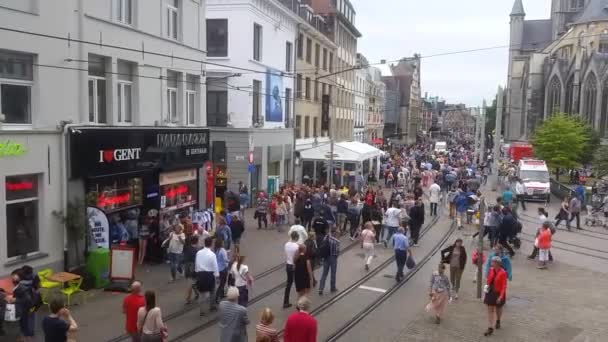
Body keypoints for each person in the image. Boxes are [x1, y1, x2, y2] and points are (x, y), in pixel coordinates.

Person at [483, 257, 508, 336]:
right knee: (490, 310)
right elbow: (488, 280)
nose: (491, 263)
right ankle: (490, 327)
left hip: (498, 293)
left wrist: (500, 297)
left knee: (498, 308)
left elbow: (504, 286)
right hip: (491, 292)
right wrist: (486, 290)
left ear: (497, 263)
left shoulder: (503, 273)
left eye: (493, 262)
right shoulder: (491, 269)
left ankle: (498, 320)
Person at [195, 237, 219, 316]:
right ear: (211, 244)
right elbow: (215, 266)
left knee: (201, 293)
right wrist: (217, 276)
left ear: (204, 243)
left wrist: (197, 272)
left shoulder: (198, 253)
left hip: (200, 274)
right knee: (212, 291)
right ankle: (212, 306)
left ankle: (201, 310)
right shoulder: (212, 254)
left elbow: (196, 263)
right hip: (209, 275)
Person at [318, 227, 340, 295]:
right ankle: (332, 287)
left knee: (324, 273)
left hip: (326, 257)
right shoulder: (337, 241)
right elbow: (337, 252)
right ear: (335, 233)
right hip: (333, 258)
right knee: (333, 273)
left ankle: (321, 288)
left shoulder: (326, 237)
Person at [283, 231, 300, 308]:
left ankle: (285, 302)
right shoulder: (297, 246)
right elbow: (297, 257)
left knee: (289, 284)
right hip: (295, 266)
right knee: (298, 284)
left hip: (288, 265)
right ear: (296, 237)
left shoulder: (286, 244)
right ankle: (299, 303)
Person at [214, 238, 230, 304]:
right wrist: (231, 261)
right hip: (223, 269)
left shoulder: (216, 250)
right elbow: (225, 260)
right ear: (221, 244)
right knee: (222, 283)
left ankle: (222, 294)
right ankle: (217, 297)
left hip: (218, 269)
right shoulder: (223, 250)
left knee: (221, 282)